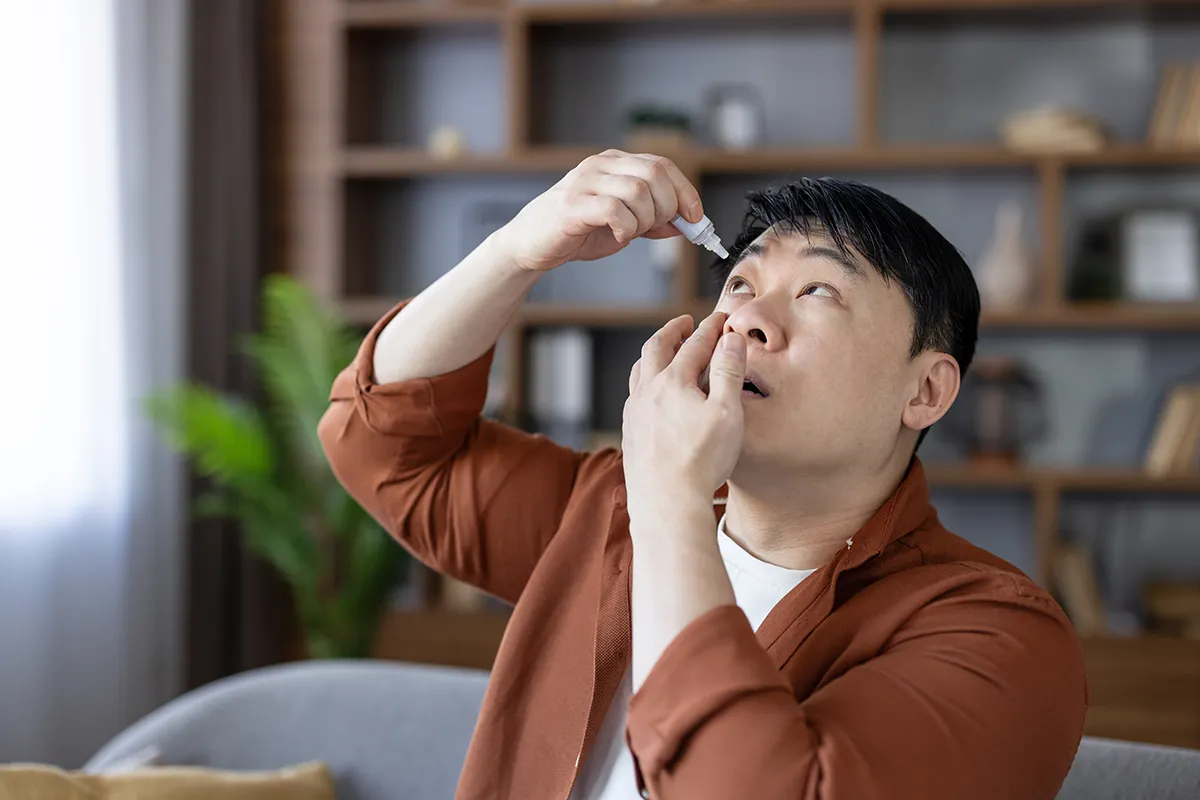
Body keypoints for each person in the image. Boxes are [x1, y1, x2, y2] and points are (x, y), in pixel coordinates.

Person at [318, 149, 1087, 800]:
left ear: (926, 391)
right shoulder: (611, 508)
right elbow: (385, 447)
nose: (748, 320)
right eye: (741, 285)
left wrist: (670, 503)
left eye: (818, 291)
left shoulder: (1001, 640)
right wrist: (517, 251)